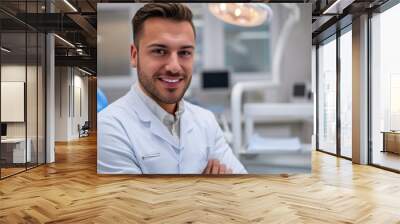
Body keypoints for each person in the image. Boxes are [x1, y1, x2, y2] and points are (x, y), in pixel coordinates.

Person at [98, 3, 247, 174]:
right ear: (134, 55)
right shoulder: (109, 128)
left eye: (184, 53)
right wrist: (210, 190)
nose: (174, 67)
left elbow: (243, 188)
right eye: (160, 51)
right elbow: (130, 201)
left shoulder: (206, 121)